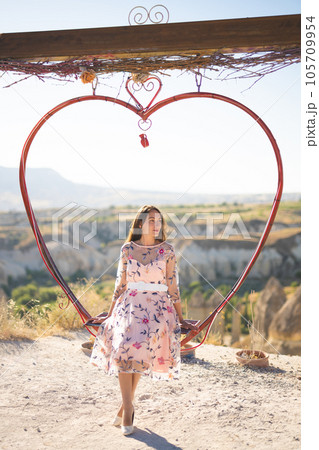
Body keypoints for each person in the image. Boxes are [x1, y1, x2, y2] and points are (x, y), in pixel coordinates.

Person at [89, 205, 199, 435]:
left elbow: (173, 286)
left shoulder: (167, 250)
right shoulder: (127, 248)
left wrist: (179, 318)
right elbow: (119, 284)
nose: (156, 224)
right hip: (129, 305)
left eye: (159, 220)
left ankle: (125, 408)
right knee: (123, 350)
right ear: (140, 223)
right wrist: (109, 313)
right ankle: (128, 408)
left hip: (158, 308)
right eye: (151, 220)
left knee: (137, 354)